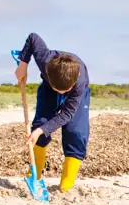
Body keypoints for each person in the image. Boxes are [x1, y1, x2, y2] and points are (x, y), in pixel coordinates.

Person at [13, 32, 90, 192]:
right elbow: (33, 38)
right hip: (49, 88)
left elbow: (66, 114)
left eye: (64, 90)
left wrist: (43, 130)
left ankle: (66, 185)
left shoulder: (78, 85)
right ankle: (34, 175)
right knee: (40, 125)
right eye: (58, 90)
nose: (61, 93)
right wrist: (23, 65)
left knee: (75, 132)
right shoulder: (45, 59)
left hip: (77, 95)